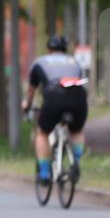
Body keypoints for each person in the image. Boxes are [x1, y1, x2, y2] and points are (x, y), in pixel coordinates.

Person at [21, 35, 88, 183]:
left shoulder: (40, 62)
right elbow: (79, 80)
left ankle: (44, 174)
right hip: (78, 95)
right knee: (76, 130)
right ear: (65, 49)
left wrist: (27, 105)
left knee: (42, 133)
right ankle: (75, 161)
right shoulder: (74, 62)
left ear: (49, 49)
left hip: (54, 95)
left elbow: (32, 90)